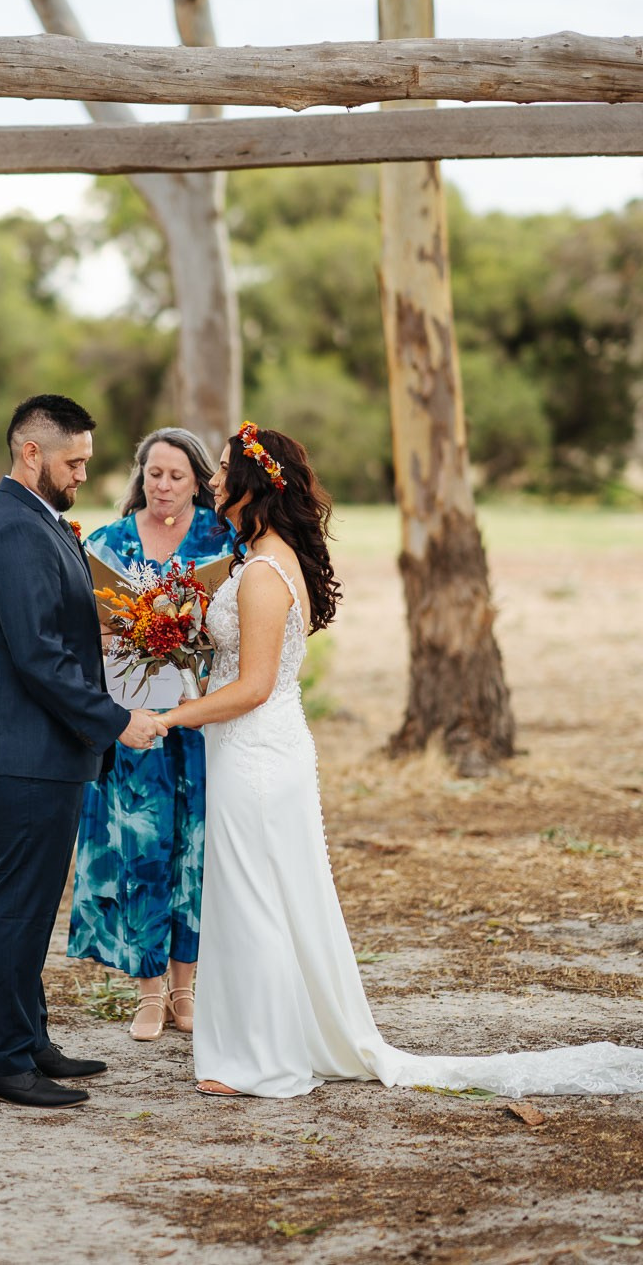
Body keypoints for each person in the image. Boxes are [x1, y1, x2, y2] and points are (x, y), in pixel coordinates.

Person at [160, 420, 643, 1099]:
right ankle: (268, 1042)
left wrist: (169, 717)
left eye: (219, 470)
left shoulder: (266, 573)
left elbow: (255, 686)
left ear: (249, 484)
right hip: (257, 747)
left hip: (259, 752)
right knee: (263, 895)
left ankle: (263, 1060)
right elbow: (237, 671)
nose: (211, 480)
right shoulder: (259, 560)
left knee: (255, 899)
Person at [0, 394, 166, 1110]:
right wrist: (114, 719)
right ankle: (3, 1060)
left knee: (35, 903)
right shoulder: (14, 529)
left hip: (41, 748)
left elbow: (54, 629)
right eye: (73, 462)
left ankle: (30, 1037)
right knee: (17, 904)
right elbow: (37, 656)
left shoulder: (36, 520)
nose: (81, 476)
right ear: (31, 453)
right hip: (27, 749)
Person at [67, 427, 234, 1042]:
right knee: (139, 845)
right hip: (131, 721)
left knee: (194, 848)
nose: (163, 487)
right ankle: (146, 990)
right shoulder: (108, 544)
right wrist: (128, 635)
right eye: (154, 474)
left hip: (197, 721)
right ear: (141, 476)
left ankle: (186, 988)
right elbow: (88, 632)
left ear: (198, 483)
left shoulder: (223, 542)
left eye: (177, 476)